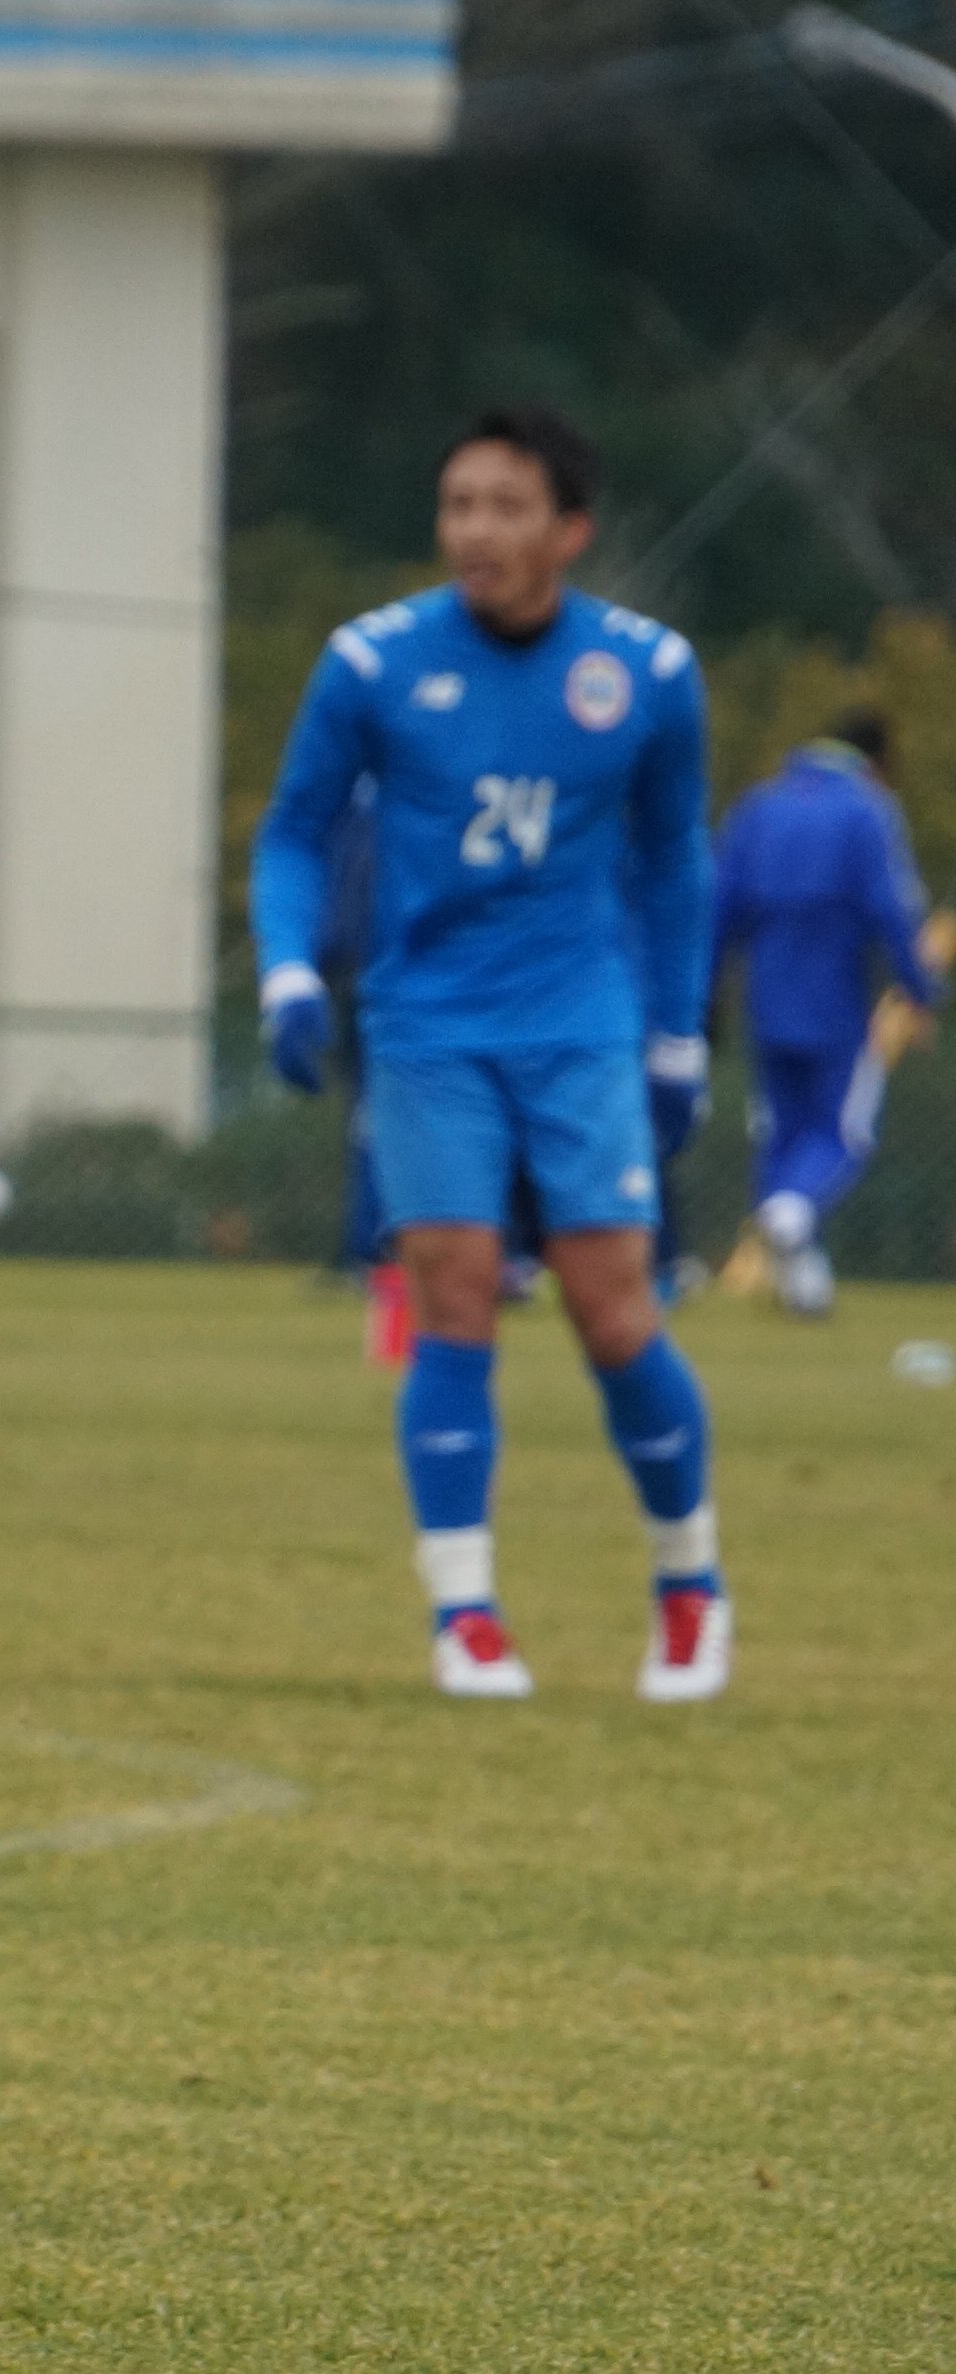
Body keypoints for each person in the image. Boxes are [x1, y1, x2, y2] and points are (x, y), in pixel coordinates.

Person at [252, 405, 728, 1704]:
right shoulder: (371, 663)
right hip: (423, 1023)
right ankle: (463, 1610)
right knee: (452, 1287)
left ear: (567, 530)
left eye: (505, 506)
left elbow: (676, 860)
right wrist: (291, 968)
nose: (475, 530)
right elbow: (292, 832)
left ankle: (688, 1582)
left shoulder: (644, 673)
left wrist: (678, 1032)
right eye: (458, 503)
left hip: (579, 1019)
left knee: (608, 1301)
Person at [711, 708, 945, 1317]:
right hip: (837, 998)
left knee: (782, 1133)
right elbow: (892, 910)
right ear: (876, 762)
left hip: (765, 1000)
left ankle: (804, 1286)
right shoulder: (867, 810)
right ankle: (791, 1208)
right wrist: (919, 990)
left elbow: (716, 909)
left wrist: (703, 995)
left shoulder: (758, 806)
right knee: (843, 1134)